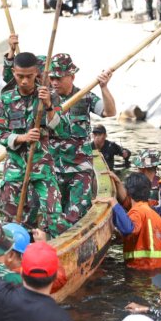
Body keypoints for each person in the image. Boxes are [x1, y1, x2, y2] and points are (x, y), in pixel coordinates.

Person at [0, 52, 71, 238]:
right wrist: (23, 138)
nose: (24, 81)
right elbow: (1, 134)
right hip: (15, 166)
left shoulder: (49, 95)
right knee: (9, 215)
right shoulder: (4, 100)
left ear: (37, 73)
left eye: (29, 76)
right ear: (13, 72)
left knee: (54, 214)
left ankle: (54, 248)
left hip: (41, 164)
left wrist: (48, 107)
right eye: (20, 76)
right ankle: (10, 253)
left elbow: (61, 130)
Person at [48, 53, 116, 222]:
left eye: (59, 78)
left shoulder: (84, 96)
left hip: (80, 168)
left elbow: (110, 111)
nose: (55, 82)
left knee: (76, 215)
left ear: (72, 77)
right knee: (54, 216)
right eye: (52, 78)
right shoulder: (47, 99)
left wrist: (104, 87)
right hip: (55, 168)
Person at [107, 173, 161, 270]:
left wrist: (114, 203)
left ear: (129, 193)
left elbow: (128, 229)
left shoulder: (137, 211)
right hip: (159, 269)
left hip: (141, 269)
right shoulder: (154, 214)